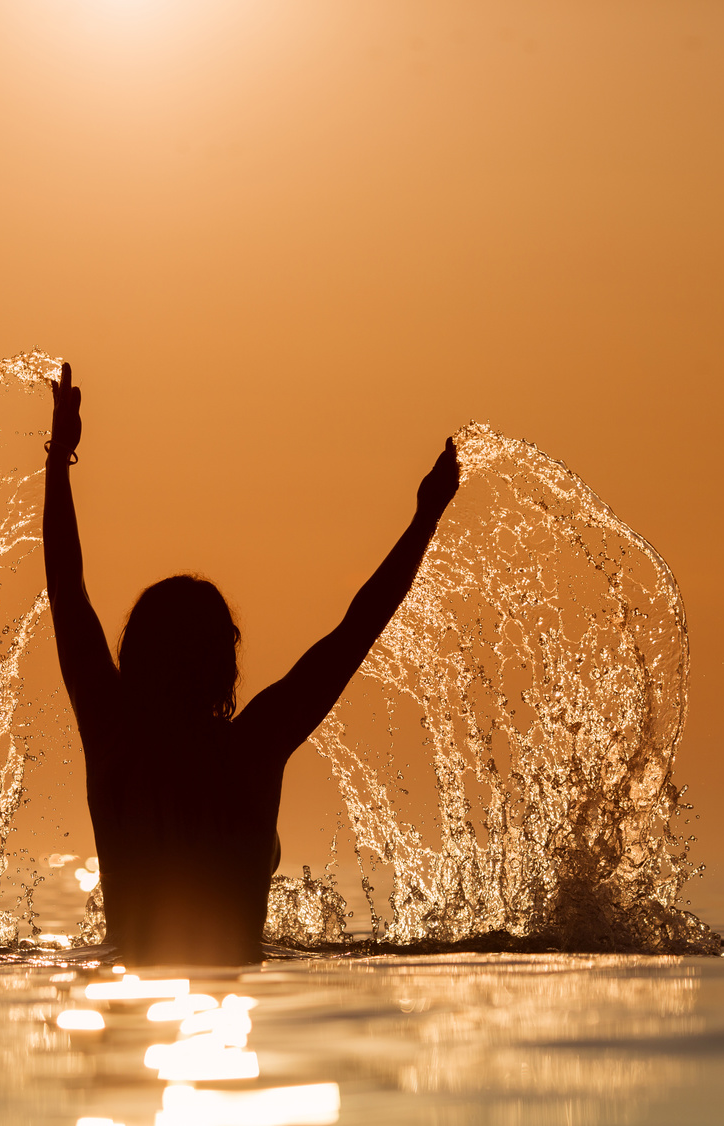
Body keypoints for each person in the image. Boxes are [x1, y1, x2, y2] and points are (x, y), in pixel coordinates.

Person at [42, 362, 459, 965]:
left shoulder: (112, 738)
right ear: (223, 666)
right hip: (234, 984)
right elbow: (355, 632)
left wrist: (59, 459)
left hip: (123, 987)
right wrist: (425, 518)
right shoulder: (251, 748)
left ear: (133, 654)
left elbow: (66, 592)